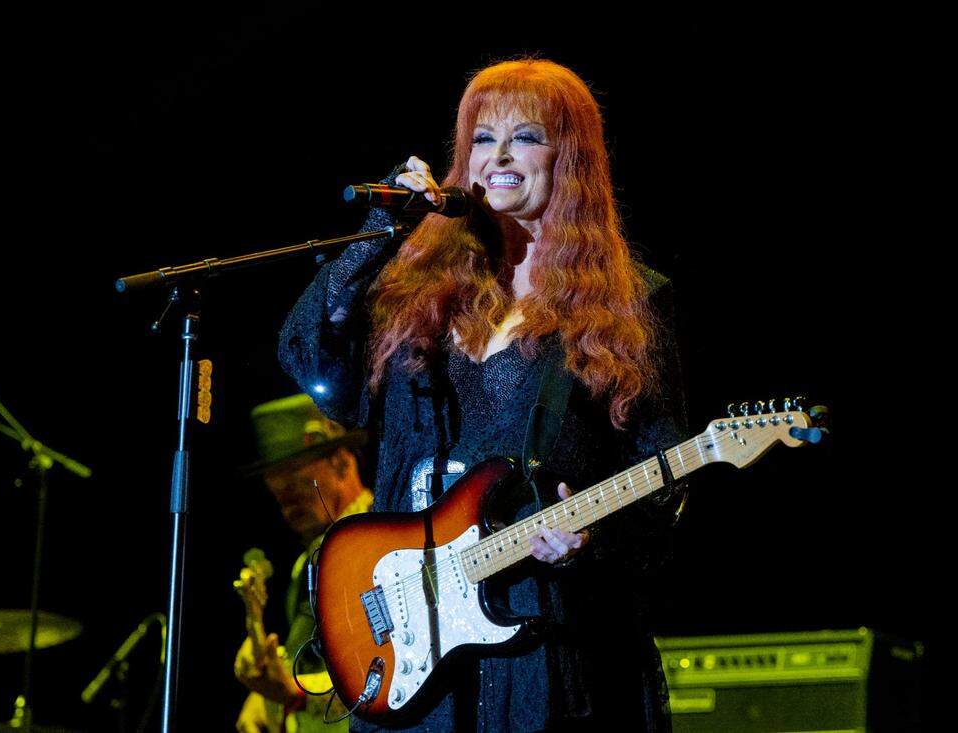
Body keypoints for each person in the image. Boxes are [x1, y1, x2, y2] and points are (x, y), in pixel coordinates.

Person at [279, 58, 686, 732]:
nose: (497, 156)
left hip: (540, 646)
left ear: (572, 158)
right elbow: (309, 356)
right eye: (481, 139)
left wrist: (592, 537)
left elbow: (666, 481)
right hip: (409, 651)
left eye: (525, 136)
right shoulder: (415, 293)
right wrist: (380, 236)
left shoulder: (629, 304)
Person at [233, 393, 374, 733]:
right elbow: (316, 661)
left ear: (341, 462)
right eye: (279, 495)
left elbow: (385, 669)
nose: (285, 504)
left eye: (296, 482)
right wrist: (266, 697)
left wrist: (295, 694)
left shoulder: (376, 542)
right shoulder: (309, 561)